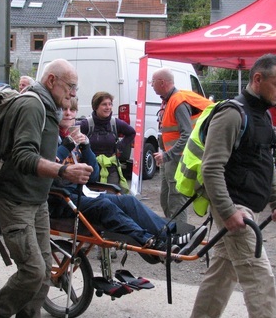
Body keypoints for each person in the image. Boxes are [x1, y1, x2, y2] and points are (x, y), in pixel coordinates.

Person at [183, 54, 276, 318]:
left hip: (243, 207)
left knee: (223, 273)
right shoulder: (231, 115)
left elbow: (264, 163)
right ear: (258, 80)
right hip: (234, 207)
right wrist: (227, 211)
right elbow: (211, 169)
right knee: (259, 275)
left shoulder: (263, 116)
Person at [0, 59, 92, 318]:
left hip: (36, 201)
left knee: (44, 272)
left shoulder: (49, 106)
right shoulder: (33, 105)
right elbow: (22, 156)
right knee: (32, 270)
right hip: (14, 201)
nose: (72, 94)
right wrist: (62, 171)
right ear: (52, 79)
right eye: (70, 87)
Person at [51, 98, 207, 257]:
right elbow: (48, 169)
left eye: (72, 110)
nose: (69, 113)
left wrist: (86, 147)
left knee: (129, 200)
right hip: (61, 199)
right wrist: (67, 145)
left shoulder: (77, 135)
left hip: (80, 194)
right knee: (104, 204)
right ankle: (151, 241)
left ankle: (172, 233)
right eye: (64, 109)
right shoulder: (51, 137)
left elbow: (93, 176)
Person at [151, 68, 211, 228]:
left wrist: (167, 155)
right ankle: (173, 233)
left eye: (153, 82)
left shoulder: (177, 102)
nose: (151, 85)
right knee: (166, 199)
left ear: (162, 83)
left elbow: (187, 135)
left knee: (176, 200)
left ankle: (180, 238)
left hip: (177, 159)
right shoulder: (170, 100)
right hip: (170, 158)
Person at [79, 91, 135, 193]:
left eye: (110, 104)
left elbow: (131, 133)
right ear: (95, 106)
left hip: (111, 171)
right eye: (104, 104)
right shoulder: (86, 124)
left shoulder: (115, 123)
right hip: (90, 171)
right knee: (93, 202)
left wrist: (119, 147)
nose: (108, 107)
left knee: (111, 200)